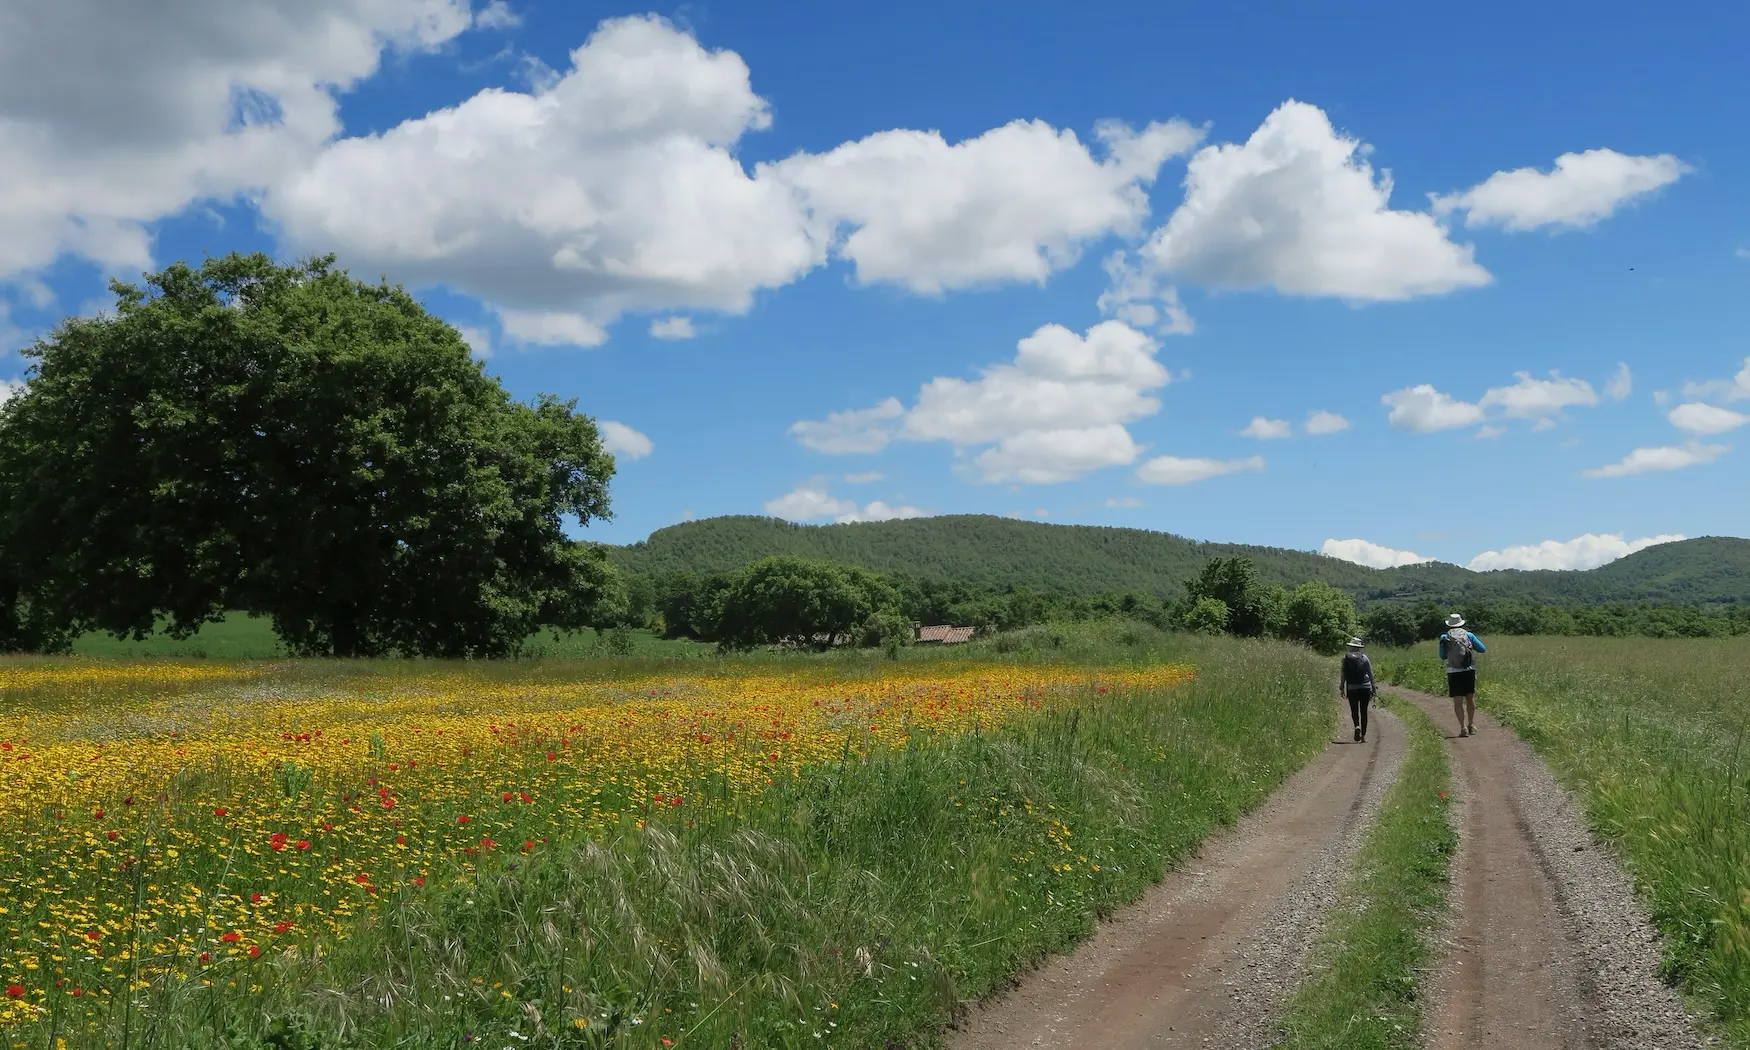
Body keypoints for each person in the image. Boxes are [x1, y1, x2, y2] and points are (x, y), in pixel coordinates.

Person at [1439, 613, 1487, 737]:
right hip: (1469, 670)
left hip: (1453, 672)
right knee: (1470, 698)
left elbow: (1442, 655)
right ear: (1461, 623)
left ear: (1449, 624)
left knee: (1457, 701)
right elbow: (1482, 649)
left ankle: (1462, 727)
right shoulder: (1469, 635)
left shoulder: (1444, 637)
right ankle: (1471, 725)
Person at [1338, 636, 1376, 743]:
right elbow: (1370, 673)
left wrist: (1342, 688)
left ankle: (1357, 726)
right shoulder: (1364, 658)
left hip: (1352, 688)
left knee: (1354, 710)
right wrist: (1373, 687)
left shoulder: (1345, 659)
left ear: (1351, 647)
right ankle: (1363, 736)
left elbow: (1343, 674)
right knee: (1364, 711)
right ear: (1359, 648)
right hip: (1365, 688)